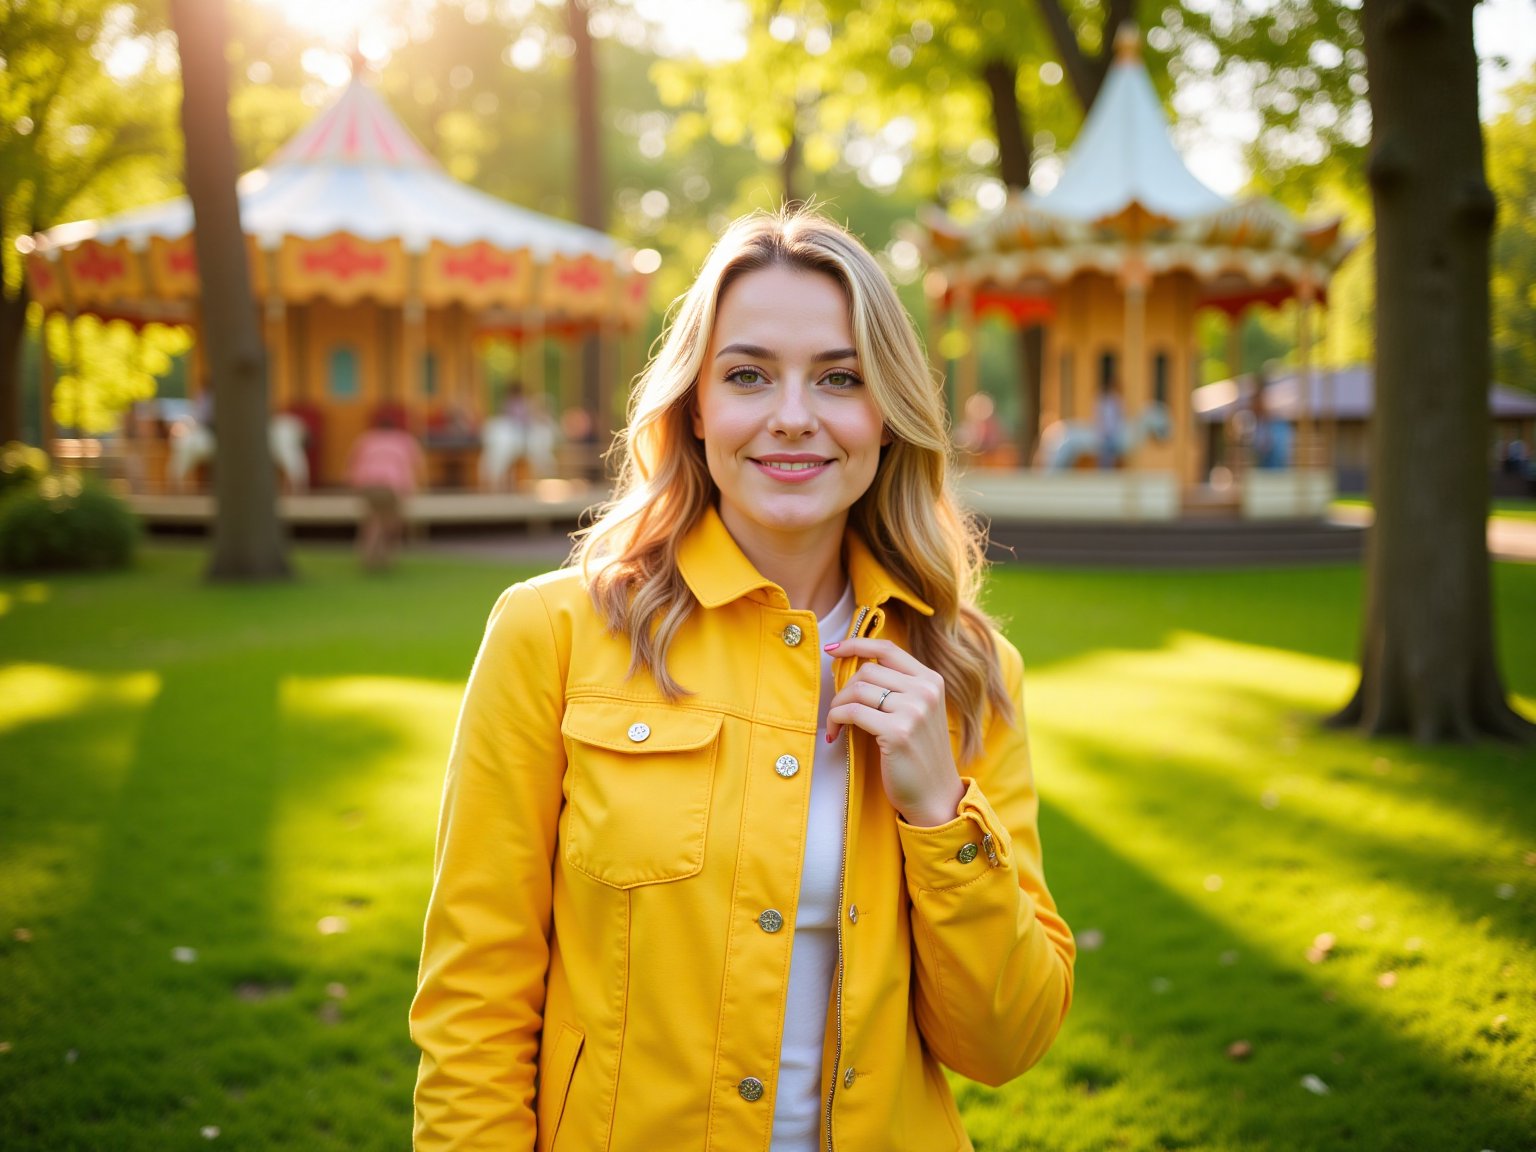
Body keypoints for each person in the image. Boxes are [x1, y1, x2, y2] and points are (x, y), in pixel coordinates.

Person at [410, 208, 1075, 1151]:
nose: (793, 415)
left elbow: (1005, 1041)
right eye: (749, 375)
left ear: (886, 419)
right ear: (695, 408)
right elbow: (473, 1002)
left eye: (839, 378)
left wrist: (939, 813)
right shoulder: (552, 634)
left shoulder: (965, 669)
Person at [346, 410, 424, 571]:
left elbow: (352, 464)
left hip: (367, 485)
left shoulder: (366, 439)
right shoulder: (404, 440)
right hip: (391, 486)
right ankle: (385, 558)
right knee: (391, 522)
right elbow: (413, 466)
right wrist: (412, 489)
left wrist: (353, 486)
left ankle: (369, 557)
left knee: (373, 521)